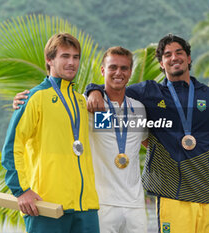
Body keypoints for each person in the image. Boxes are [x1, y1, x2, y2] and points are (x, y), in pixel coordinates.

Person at [86, 34, 209, 233]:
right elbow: (116, 86)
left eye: (179, 53)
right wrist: (93, 89)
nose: (174, 58)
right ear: (161, 63)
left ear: (188, 58)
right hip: (172, 196)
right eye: (167, 55)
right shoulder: (149, 93)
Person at [13, 46, 148, 233]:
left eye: (124, 68)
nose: (118, 72)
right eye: (112, 67)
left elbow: (148, 142)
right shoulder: (89, 106)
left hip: (135, 204)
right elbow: (60, 108)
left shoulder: (139, 108)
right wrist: (24, 101)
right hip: (102, 203)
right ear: (103, 70)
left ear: (131, 72)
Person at [2, 33, 99, 233]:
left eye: (76, 57)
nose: (72, 62)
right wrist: (21, 191)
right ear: (49, 60)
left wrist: (95, 90)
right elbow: (12, 147)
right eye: (65, 56)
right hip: (46, 207)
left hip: (86, 208)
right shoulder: (35, 98)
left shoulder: (82, 101)